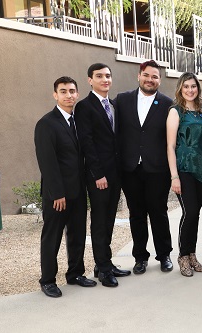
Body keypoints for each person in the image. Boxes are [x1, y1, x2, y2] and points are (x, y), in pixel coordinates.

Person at [35, 76, 97, 297]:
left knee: (77, 234)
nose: (69, 95)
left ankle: (75, 274)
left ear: (77, 93)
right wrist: (57, 193)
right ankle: (48, 280)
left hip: (78, 191)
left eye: (72, 91)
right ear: (55, 95)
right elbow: (47, 163)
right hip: (57, 194)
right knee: (52, 237)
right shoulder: (46, 123)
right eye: (63, 91)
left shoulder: (77, 121)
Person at [75, 63, 131, 287]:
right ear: (90, 80)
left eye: (108, 76)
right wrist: (98, 174)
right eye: (99, 76)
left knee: (109, 219)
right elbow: (87, 143)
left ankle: (104, 263)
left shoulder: (114, 105)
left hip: (115, 173)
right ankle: (103, 269)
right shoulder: (84, 107)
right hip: (99, 176)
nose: (105, 79)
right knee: (99, 221)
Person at [116, 60, 174, 274]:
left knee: (159, 212)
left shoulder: (168, 104)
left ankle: (164, 255)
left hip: (157, 169)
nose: (150, 80)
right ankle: (140, 257)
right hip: (130, 169)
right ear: (139, 76)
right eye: (147, 75)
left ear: (160, 80)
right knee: (136, 214)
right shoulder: (122, 101)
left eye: (155, 77)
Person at [167, 72, 202, 277]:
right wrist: (174, 176)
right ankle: (183, 256)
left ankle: (192, 255)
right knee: (190, 212)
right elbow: (170, 146)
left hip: (201, 167)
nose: (190, 90)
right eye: (186, 87)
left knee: (196, 213)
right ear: (180, 88)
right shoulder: (175, 112)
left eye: (193, 86)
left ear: (197, 88)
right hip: (183, 166)